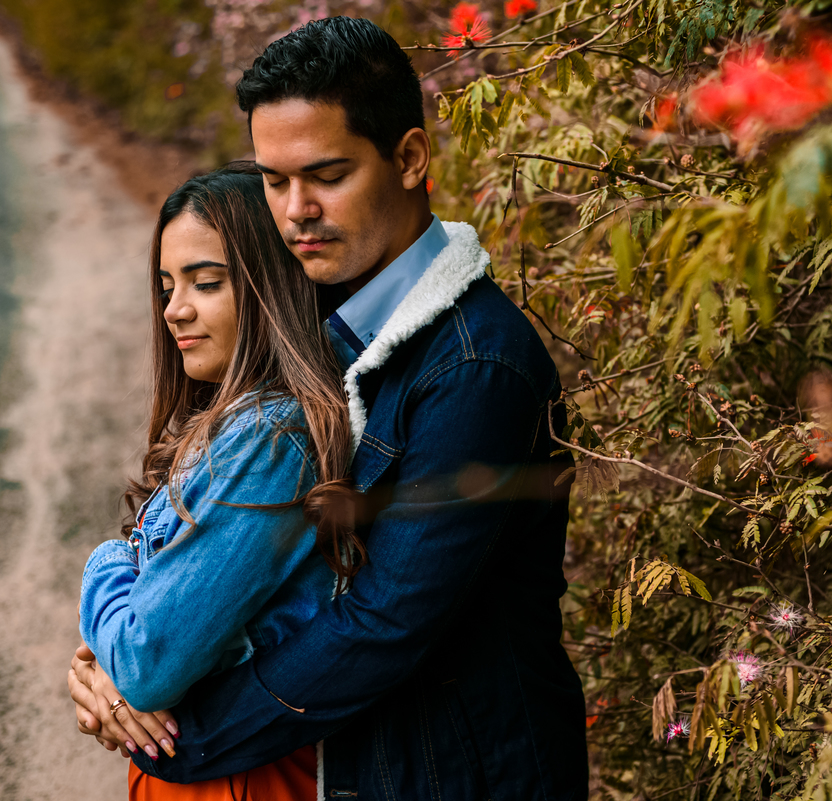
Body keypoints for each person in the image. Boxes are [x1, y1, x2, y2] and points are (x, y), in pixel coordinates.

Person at [70, 17, 588, 799]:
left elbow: (381, 625)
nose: (295, 211)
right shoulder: (313, 319)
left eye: (326, 175)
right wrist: (114, 665)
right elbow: (204, 542)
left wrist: (169, 728)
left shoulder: (474, 364)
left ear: (409, 159)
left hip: (460, 776)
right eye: (275, 181)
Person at [77, 166, 352, 799]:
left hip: (242, 779)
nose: (174, 310)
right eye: (166, 286)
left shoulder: (273, 438)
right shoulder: (236, 426)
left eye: (206, 283)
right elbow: (144, 647)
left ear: (270, 287)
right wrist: (96, 668)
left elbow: (145, 663)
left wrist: (105, 564)